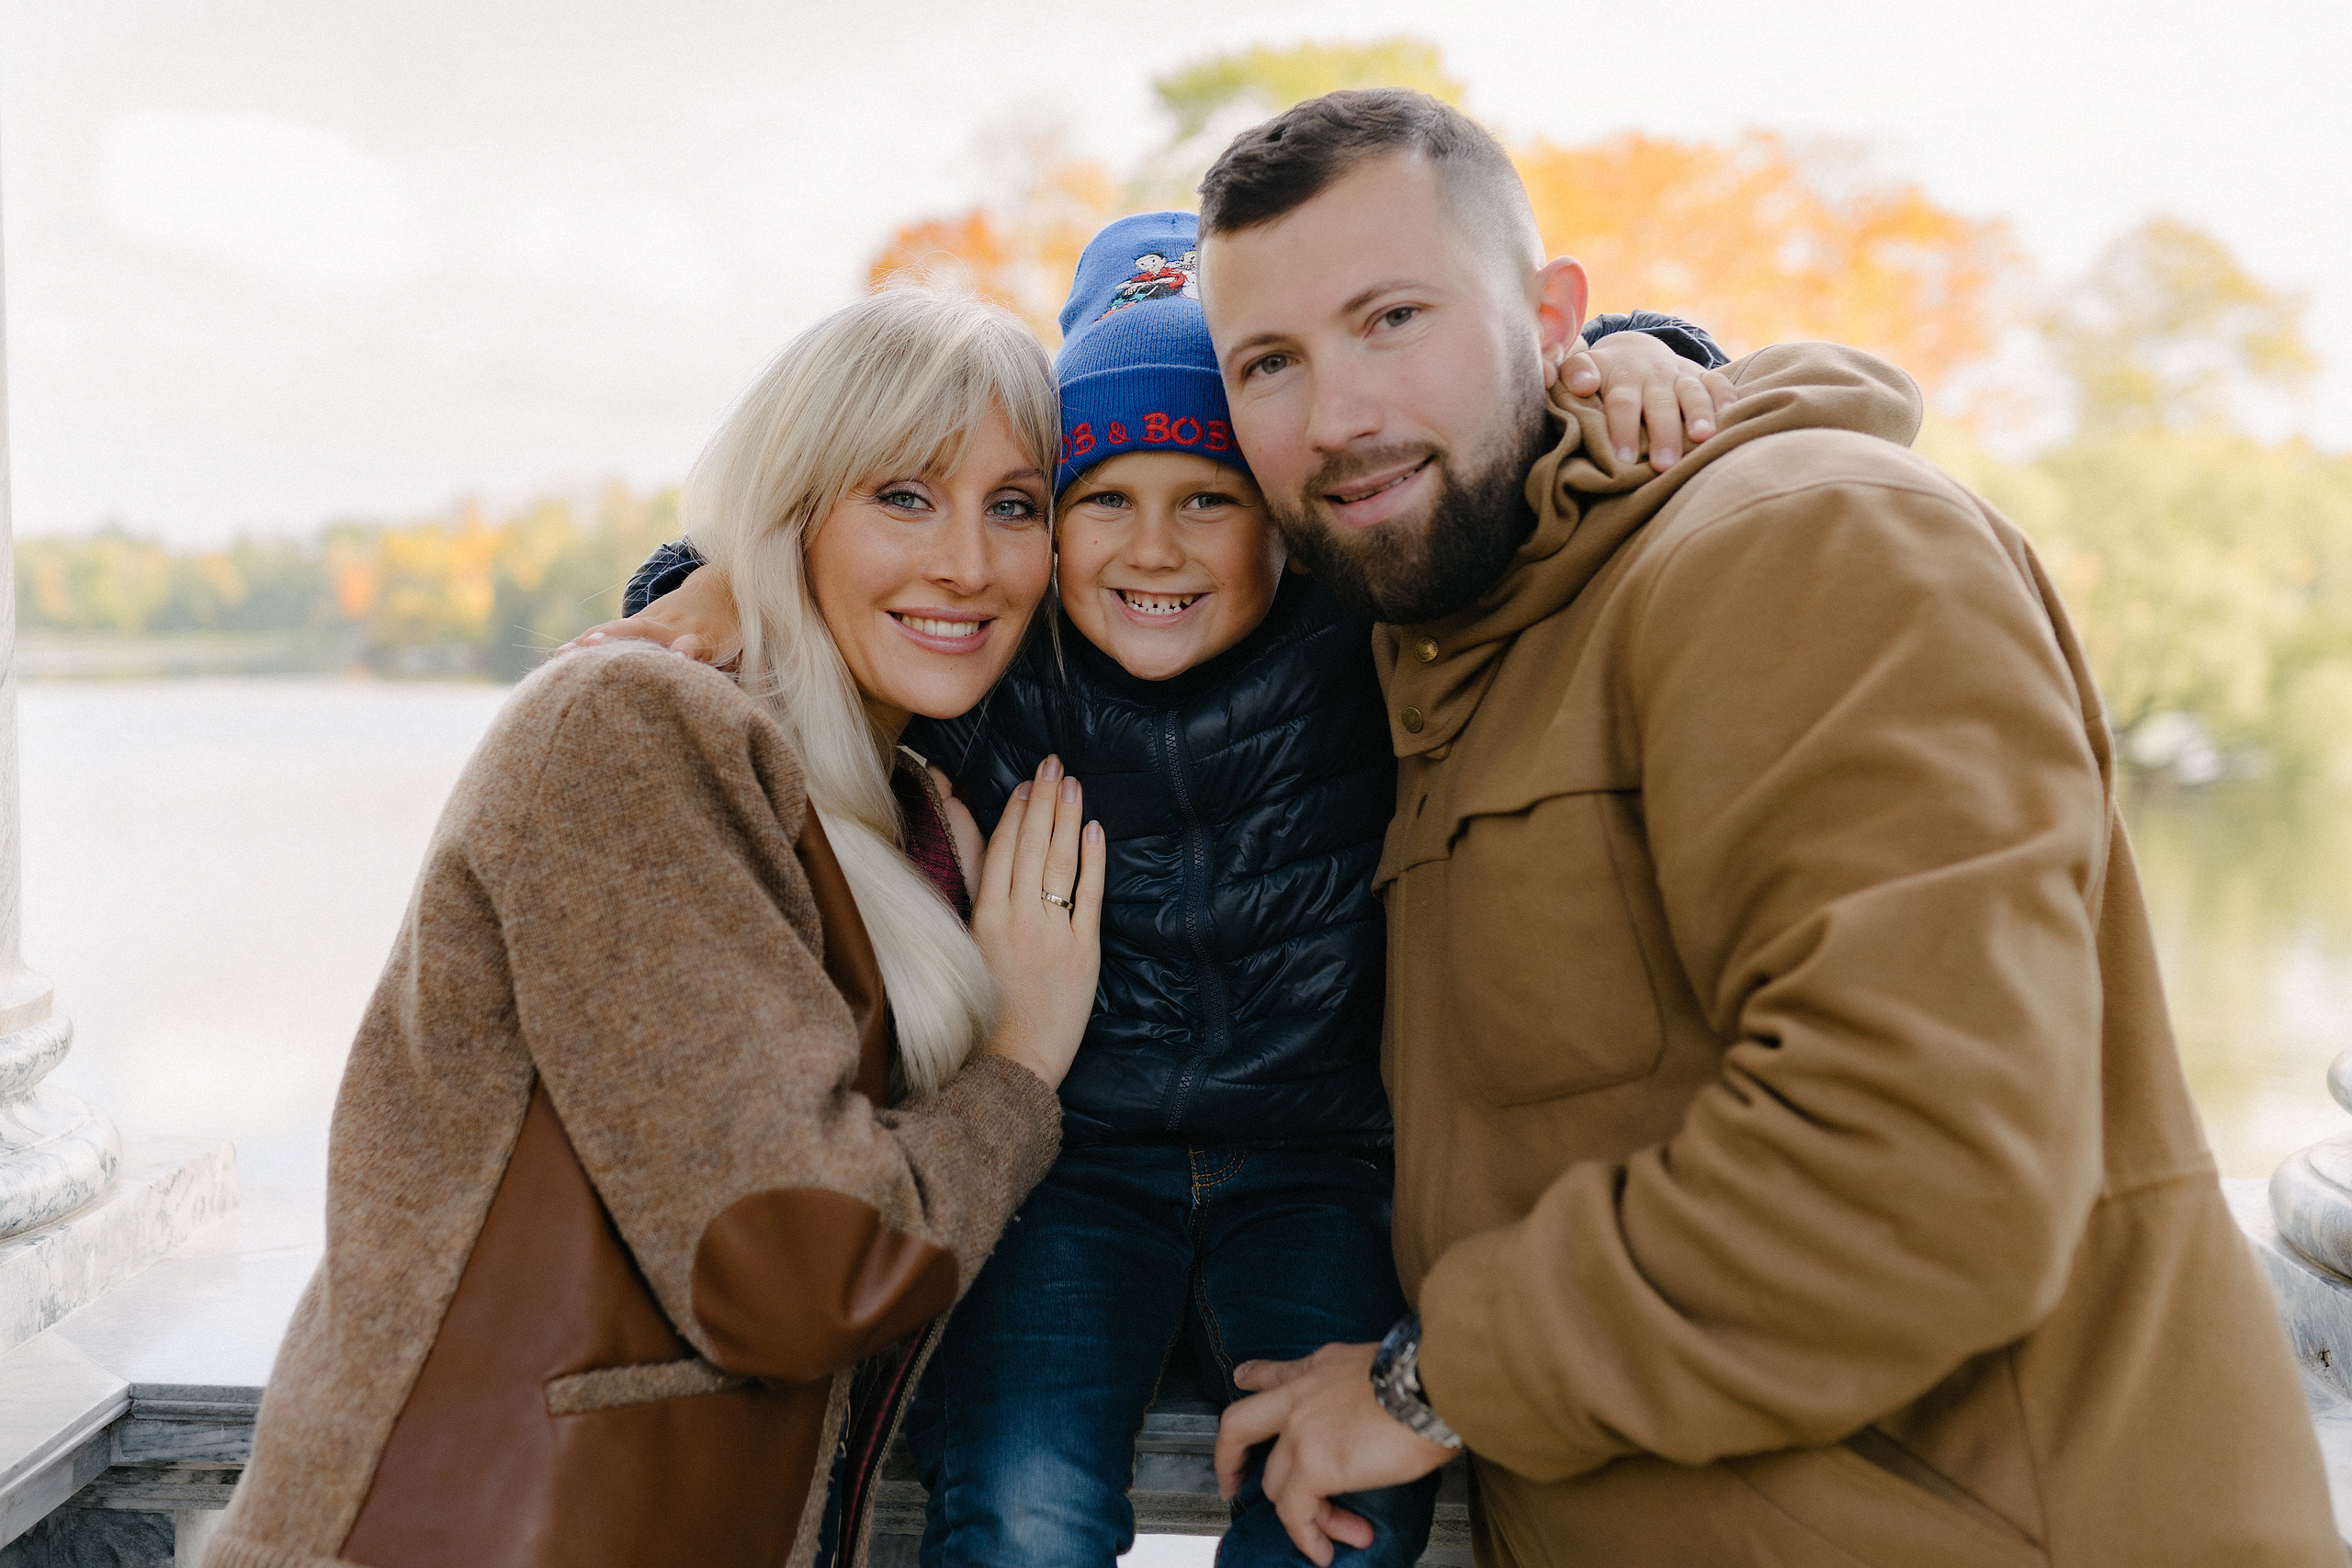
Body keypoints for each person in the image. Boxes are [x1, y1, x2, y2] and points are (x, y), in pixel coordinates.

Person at [602, 212, 1916, 1564]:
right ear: (1046, 527)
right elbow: (836, 593)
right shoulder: (1002, 673)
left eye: (1210, 500)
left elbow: (1509, 449)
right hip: (1070, 1165)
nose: (1154, 549)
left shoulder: (1368, 629)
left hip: (1317, 1164)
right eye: (1099, 499)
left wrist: (1646, 347)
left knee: (1341, 1508)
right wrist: (701, 581)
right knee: (1020, 1499)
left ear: (1284, 519)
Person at [1191, 89, 2340, 1568]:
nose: (1336, 415)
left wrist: (1432, 1388)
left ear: (1556, 321)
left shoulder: (1805, 545)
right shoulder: (1448, 661)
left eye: (1393, 317)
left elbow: (1916, 1176)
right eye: (1267, 362)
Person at [203, 288, 1108, 1568]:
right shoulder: (628, 731)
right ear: (788, 518)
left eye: (1015, 507)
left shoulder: (919, 817)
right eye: (903, 495)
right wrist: (1016, 1067)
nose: (969, 560)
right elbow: (799, 1273)